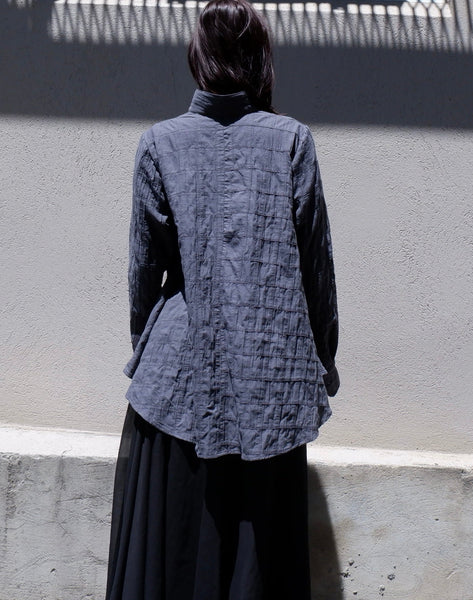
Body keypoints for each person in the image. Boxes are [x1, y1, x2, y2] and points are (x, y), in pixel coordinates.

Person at [105, 0, 339, 599]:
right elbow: (316, 268)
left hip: (177, 386)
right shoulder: (292, 141)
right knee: (259, 563)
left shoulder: (160, 143)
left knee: (174, 560)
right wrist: (324, 358)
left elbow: (144, 269)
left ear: (198, 58)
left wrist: (146, 348)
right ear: (261, 60)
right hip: (272, 387)